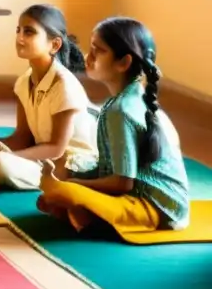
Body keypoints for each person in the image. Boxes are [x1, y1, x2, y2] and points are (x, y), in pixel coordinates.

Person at [38, 17, 190, 234]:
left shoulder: (122, 110)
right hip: (136, 198)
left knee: (61, 192)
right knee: (61, 184)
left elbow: (122, 183)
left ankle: (88, 216)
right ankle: (85, 214)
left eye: (97, 51)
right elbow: (110, 169)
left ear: (123, 63)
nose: (87, 57)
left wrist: (73, 185)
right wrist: (73, 176)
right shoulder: (122, 102)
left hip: (155, 209)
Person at [0, 4, 98, 190]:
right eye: (18, 30)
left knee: (0, 163)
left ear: (54, 44)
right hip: (40, 158)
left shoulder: (64, 85)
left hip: (67, 167)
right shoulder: (24, 81)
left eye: (29, 32)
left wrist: (5, 156)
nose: (19, 38)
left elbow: (57, 149)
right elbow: (22, 138)